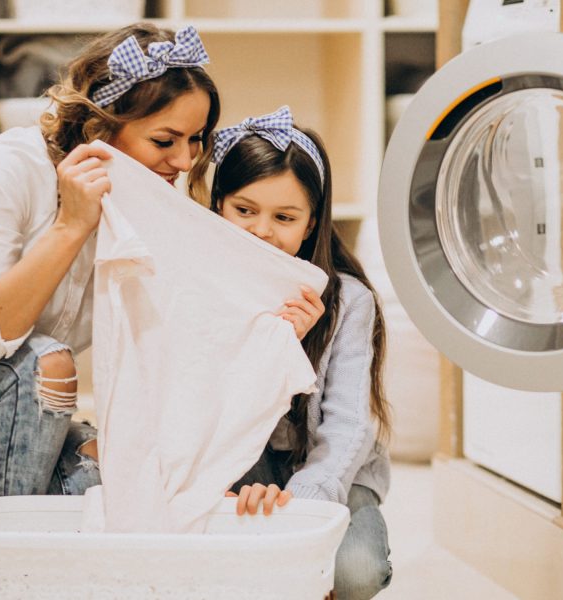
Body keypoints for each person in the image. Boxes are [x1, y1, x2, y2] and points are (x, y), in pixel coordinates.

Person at [0, 22, 219, 589]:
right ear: (101, 127)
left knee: (107, 486)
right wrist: (69, 226)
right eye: (165, 140)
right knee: (41, 362)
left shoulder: (139, 205)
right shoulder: (9, 169)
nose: (185, 161)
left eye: (196, 139)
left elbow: (160, 345)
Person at [210, 107, 393, 600]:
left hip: (334, 469)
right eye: (244, 210)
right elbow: (206, 409)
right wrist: (276, 349)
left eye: (284, 217)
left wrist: (305, 500)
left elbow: (350, 424)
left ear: (311, 224)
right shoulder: (203, 290)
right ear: (218, 205)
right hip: (238, 461)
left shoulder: (349, 301)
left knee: (354, 573)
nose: (262, 231)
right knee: (233, 567)